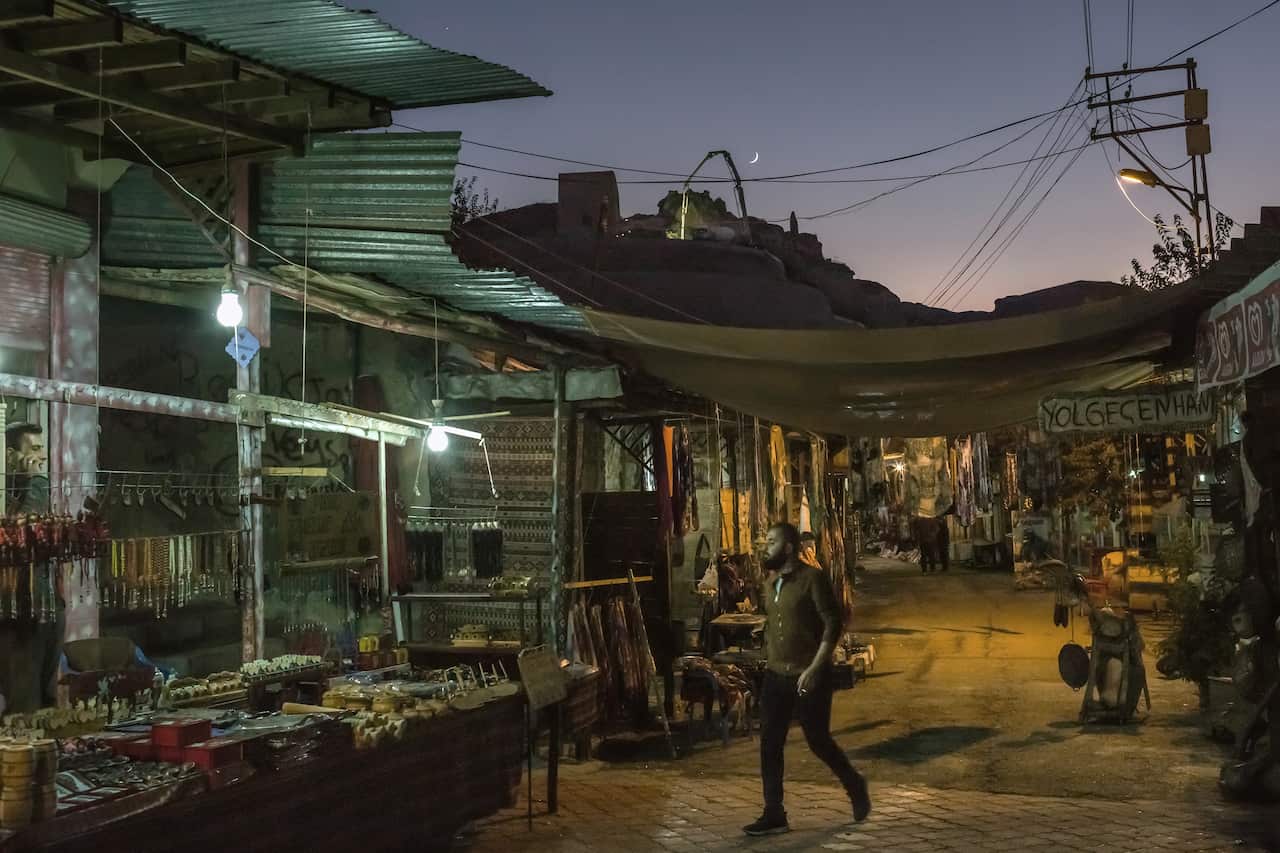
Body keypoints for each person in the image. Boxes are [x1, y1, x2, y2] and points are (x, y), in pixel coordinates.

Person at [743, 522, 870, 836]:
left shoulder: (813, 579)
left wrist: (815, 668)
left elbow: (832, 623)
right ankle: (774, 813)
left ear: (787, 548)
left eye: (771, 542)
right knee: (770, 744)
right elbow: (776, 623)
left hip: (809, 676)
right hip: (776, 676)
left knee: (818, 741)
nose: (765, 547)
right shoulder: (771, 582)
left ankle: (854, 784)